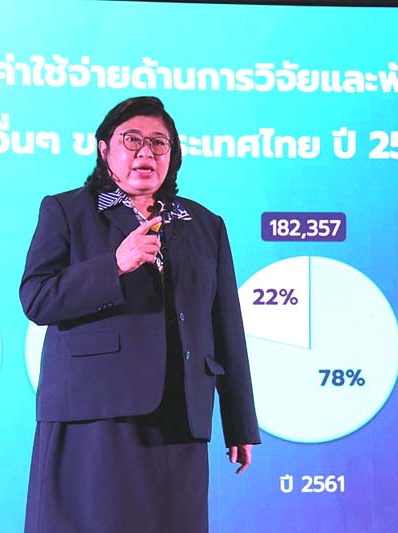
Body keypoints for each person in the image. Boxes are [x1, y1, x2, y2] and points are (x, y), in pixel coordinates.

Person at [20, 96, 260, 533]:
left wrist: (239, 422)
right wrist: (114, 264)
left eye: (158, 143)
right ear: (104, 149)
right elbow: (37, 298)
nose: (146, 152)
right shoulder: (67, 211)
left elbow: (225, 325)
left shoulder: (205, 224)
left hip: (180, 416)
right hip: (95, 415)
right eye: (132, 140)